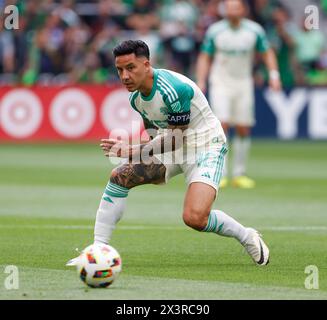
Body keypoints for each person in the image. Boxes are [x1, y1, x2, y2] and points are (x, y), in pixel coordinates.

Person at [67, 40, 269, 267]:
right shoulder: (136, 99)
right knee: (120, 176)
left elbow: (176, 139)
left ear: (147, 64)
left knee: (195, 218)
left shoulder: (174, 89)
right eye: (119, 70)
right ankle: (97, 251)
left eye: (130, 68)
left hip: (205, 146)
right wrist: (146, 160)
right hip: (172, 145)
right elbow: (156, 134)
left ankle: (247, 236)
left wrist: (133, 150)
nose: (124, 76)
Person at [196, 0, 281, 189]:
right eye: (229, 8)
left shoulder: (254, 31)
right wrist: (201, 80)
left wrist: (274, 75)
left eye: (236, 7)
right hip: (220, 83)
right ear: (224, 11)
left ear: (243, 10)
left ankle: (239, 173)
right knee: (222, 125)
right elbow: (205, 56)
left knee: (243, 127)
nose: (232, 11)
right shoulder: (215, 31)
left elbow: (267, 53)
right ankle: (222, 172)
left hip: (243, 83)